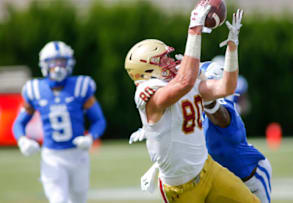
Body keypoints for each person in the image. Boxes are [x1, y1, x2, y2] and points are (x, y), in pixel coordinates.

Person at [125, 4, 259, 203]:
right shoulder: (148, 92)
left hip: (208, 169)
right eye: (162, 60)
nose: (169, 61)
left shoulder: (181, 82)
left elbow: (227, 87)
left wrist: (232, 47)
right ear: (146, 70)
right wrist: (195, 28)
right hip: (180, 187)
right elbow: (185, 82)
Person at [12, 41, 106, 203]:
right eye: (53, 62)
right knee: (58, 200)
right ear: (44, 65)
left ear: (69, 63)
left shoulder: (81, 86)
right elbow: (19, 123)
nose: (58, 67)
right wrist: (22, 140)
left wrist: (90, 138)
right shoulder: (34, 89)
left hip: (78, 155)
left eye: (62, 61)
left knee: (79, 199)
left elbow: (98, 120)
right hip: (52, 156)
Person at [200, 62, 272, 203]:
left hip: (250, 176)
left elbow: (220, 117)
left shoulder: (223, 107)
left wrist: (207, 100)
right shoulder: (199, 109)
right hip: (224, 179)